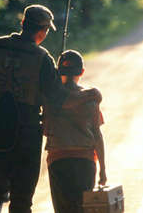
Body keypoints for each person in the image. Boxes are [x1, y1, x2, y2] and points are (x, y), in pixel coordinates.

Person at [0, 5, 101, 213]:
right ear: (42, 32)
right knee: (22, 200)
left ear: (23, 23)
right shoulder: (42, 59)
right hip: (28, 136)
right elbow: (61, 102)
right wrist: (90, 95)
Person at [43, 50, 107, 213]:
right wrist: (103, 170)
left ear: (58, 72)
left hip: (58, 162)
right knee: (82, 208)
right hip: (85, 162)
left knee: (63, 209)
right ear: (82, 72)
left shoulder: (50, 99)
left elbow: (45, 130)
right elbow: (97, 136)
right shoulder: (90, 98)